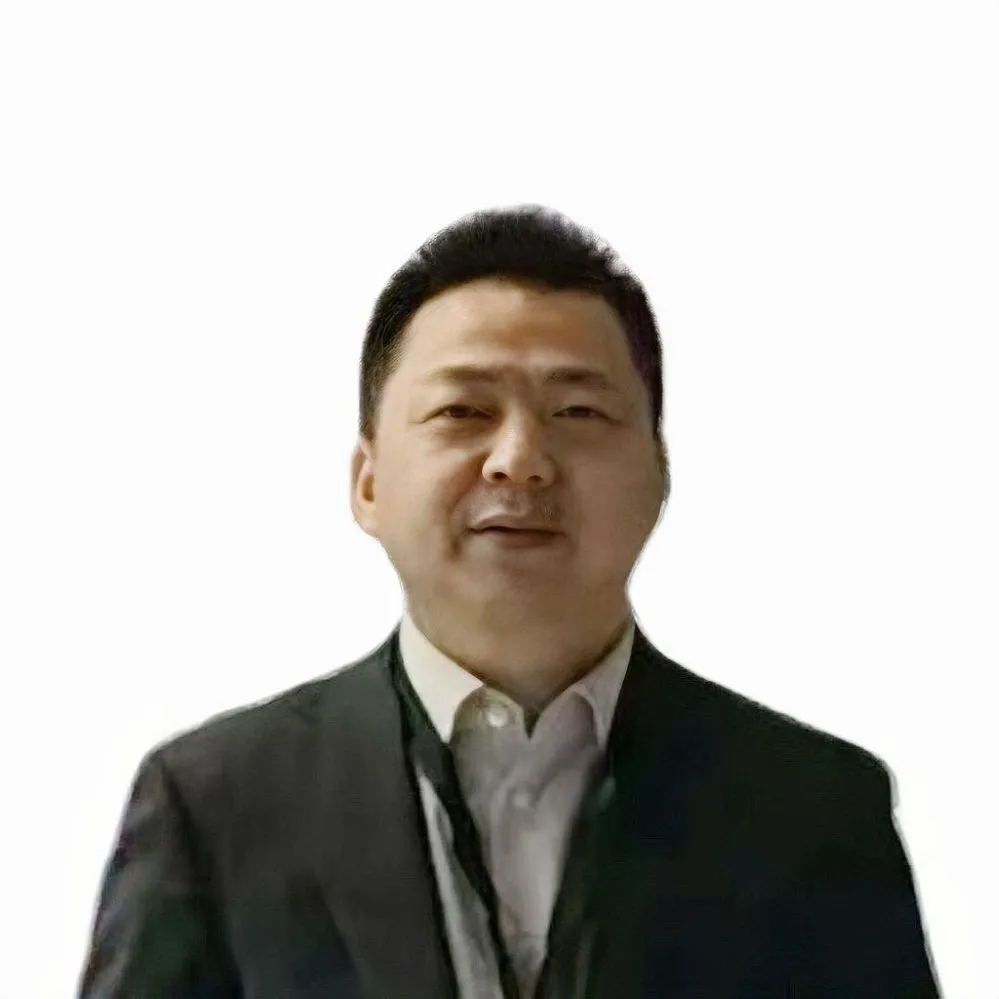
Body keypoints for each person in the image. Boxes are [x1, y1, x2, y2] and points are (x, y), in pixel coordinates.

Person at [75, 205, 942, 998]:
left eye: (577, 411)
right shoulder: (215, 806)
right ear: (367, 481)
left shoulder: (814, 810)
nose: (519, 459)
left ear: (658, 475)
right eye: (463, 410)